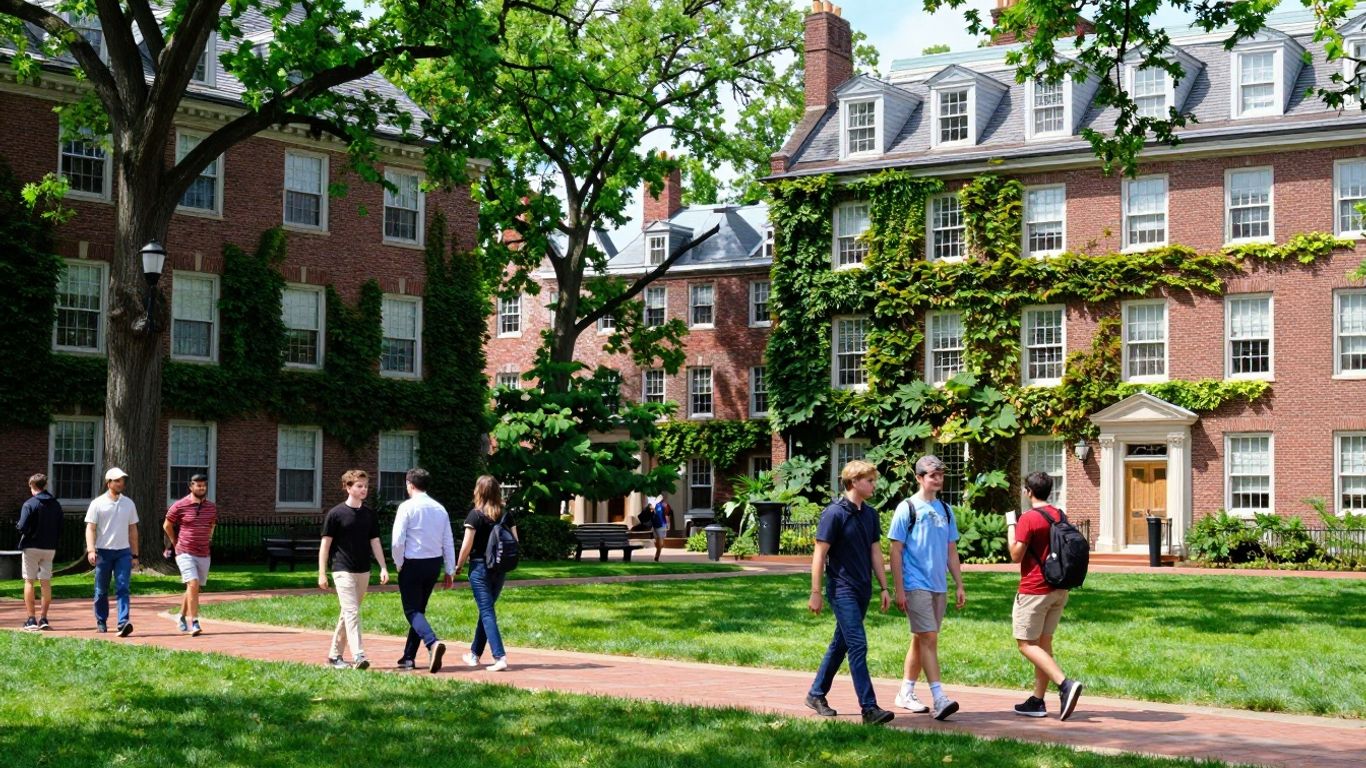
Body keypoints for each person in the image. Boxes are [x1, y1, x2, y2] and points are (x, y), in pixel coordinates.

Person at [805, 459, 895, 726]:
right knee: (858, 644)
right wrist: (816, 591)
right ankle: (869, 708)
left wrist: (884, 587)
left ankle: (815, 694)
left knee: (841, 644)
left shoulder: (870, 514)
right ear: (854, 482)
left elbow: (876, 552)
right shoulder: (834, 513)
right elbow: (819, 555)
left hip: (863, 589)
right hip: (841, 588)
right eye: (870, 480)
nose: (874, 485)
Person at [888, 455, 965, 721]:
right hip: (915, 583)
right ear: (919, 478)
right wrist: (899, 588)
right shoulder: (906, 508)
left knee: (921, 639)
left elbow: (951, 549)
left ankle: (905, 693)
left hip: (938, 585)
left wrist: (959, 584)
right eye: (933, 475)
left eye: (941, 475)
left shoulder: (946, 510)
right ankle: (939, 698)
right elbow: (895, 551)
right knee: (930, 639)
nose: (938, 479)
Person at [1008, 471, 1083, 721]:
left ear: (1028, 491)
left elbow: (1016, 555)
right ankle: (1037, 701)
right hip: (1059, 589)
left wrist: (1011, 526)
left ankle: (1064, 684)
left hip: (1035, 590)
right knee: (1044, 644)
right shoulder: (1058, 514)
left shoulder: (1028, 518)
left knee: (1026, 644)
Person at [319, 469, 389, 670]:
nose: (363, 489)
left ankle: (334, 656)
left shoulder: (369, 515)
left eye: (365, 486)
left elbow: (375, 542)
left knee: (348, 613)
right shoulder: (336, 514)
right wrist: (322, 573)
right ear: (348, 488)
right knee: (352, 612)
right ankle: (359, 655)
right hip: (342, 570)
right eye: (359, 486)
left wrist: (383, 567)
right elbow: (325, 545)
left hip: (363, 571)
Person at [391, 467, 455, 673]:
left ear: (410, 484)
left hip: (412, 562)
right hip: (433, 564)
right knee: (419, 610)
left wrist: (398, 562)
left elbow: (398, 541)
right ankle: (408, 657)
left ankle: (432, 642)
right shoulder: (439, 509)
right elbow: (448, 541)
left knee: (411, 610)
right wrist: (449, 569)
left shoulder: (407, 507)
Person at [455, 475, 519, 672]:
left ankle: (499, 656)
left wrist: (458, 566)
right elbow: (515, 541)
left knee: (487, 611)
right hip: (499, 569)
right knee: (487, 610)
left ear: (479, 491)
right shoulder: (506, 515)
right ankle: (474, 654)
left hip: (480, 568)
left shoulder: (475, 515)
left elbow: (467, 545)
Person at [85, 467, 139, 636]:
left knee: (123, 587)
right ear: (108, 483)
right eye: (116, 481)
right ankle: (101, 620)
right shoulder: (97, 504)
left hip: (123, 552)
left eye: (122, 480)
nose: (120, 483)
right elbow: (90, 529)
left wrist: (135, 554)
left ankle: (123, 622)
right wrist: (91, 550)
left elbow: (133, 530)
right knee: (101, 590)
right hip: (103, 552)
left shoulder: (128, 503)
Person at [162, 474, 218, 636]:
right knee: (193, 583)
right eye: (198, 485)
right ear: (190, 486)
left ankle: (180, 616)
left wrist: (209, 538)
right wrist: (175, 542)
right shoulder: (179, 506)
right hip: (184, 551)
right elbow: (167, 525)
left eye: (203, 486)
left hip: (203, 552)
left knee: (194, 587)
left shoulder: (211, 507)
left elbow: (212, 524)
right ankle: (194, 622)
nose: (201, 488)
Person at [18, 473, 63, 631]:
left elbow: (22, 526)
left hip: (31, 546)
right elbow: (60, 527)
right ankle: (43, 618)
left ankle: (31, 619)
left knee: (29, 580)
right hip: (49, 547)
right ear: (44, 485)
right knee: (45, 582)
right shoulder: (56, 504)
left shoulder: (29, 504)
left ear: (32, 486)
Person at [646, 495, 670, 562]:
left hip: (662, 525)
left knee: (661, 544)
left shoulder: (663, 505)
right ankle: (657, 557)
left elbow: (666, 515)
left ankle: (656, 557)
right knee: (659, 543)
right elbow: (650, 514)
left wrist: (668, 524)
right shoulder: (652, 505)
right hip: (655, 526)